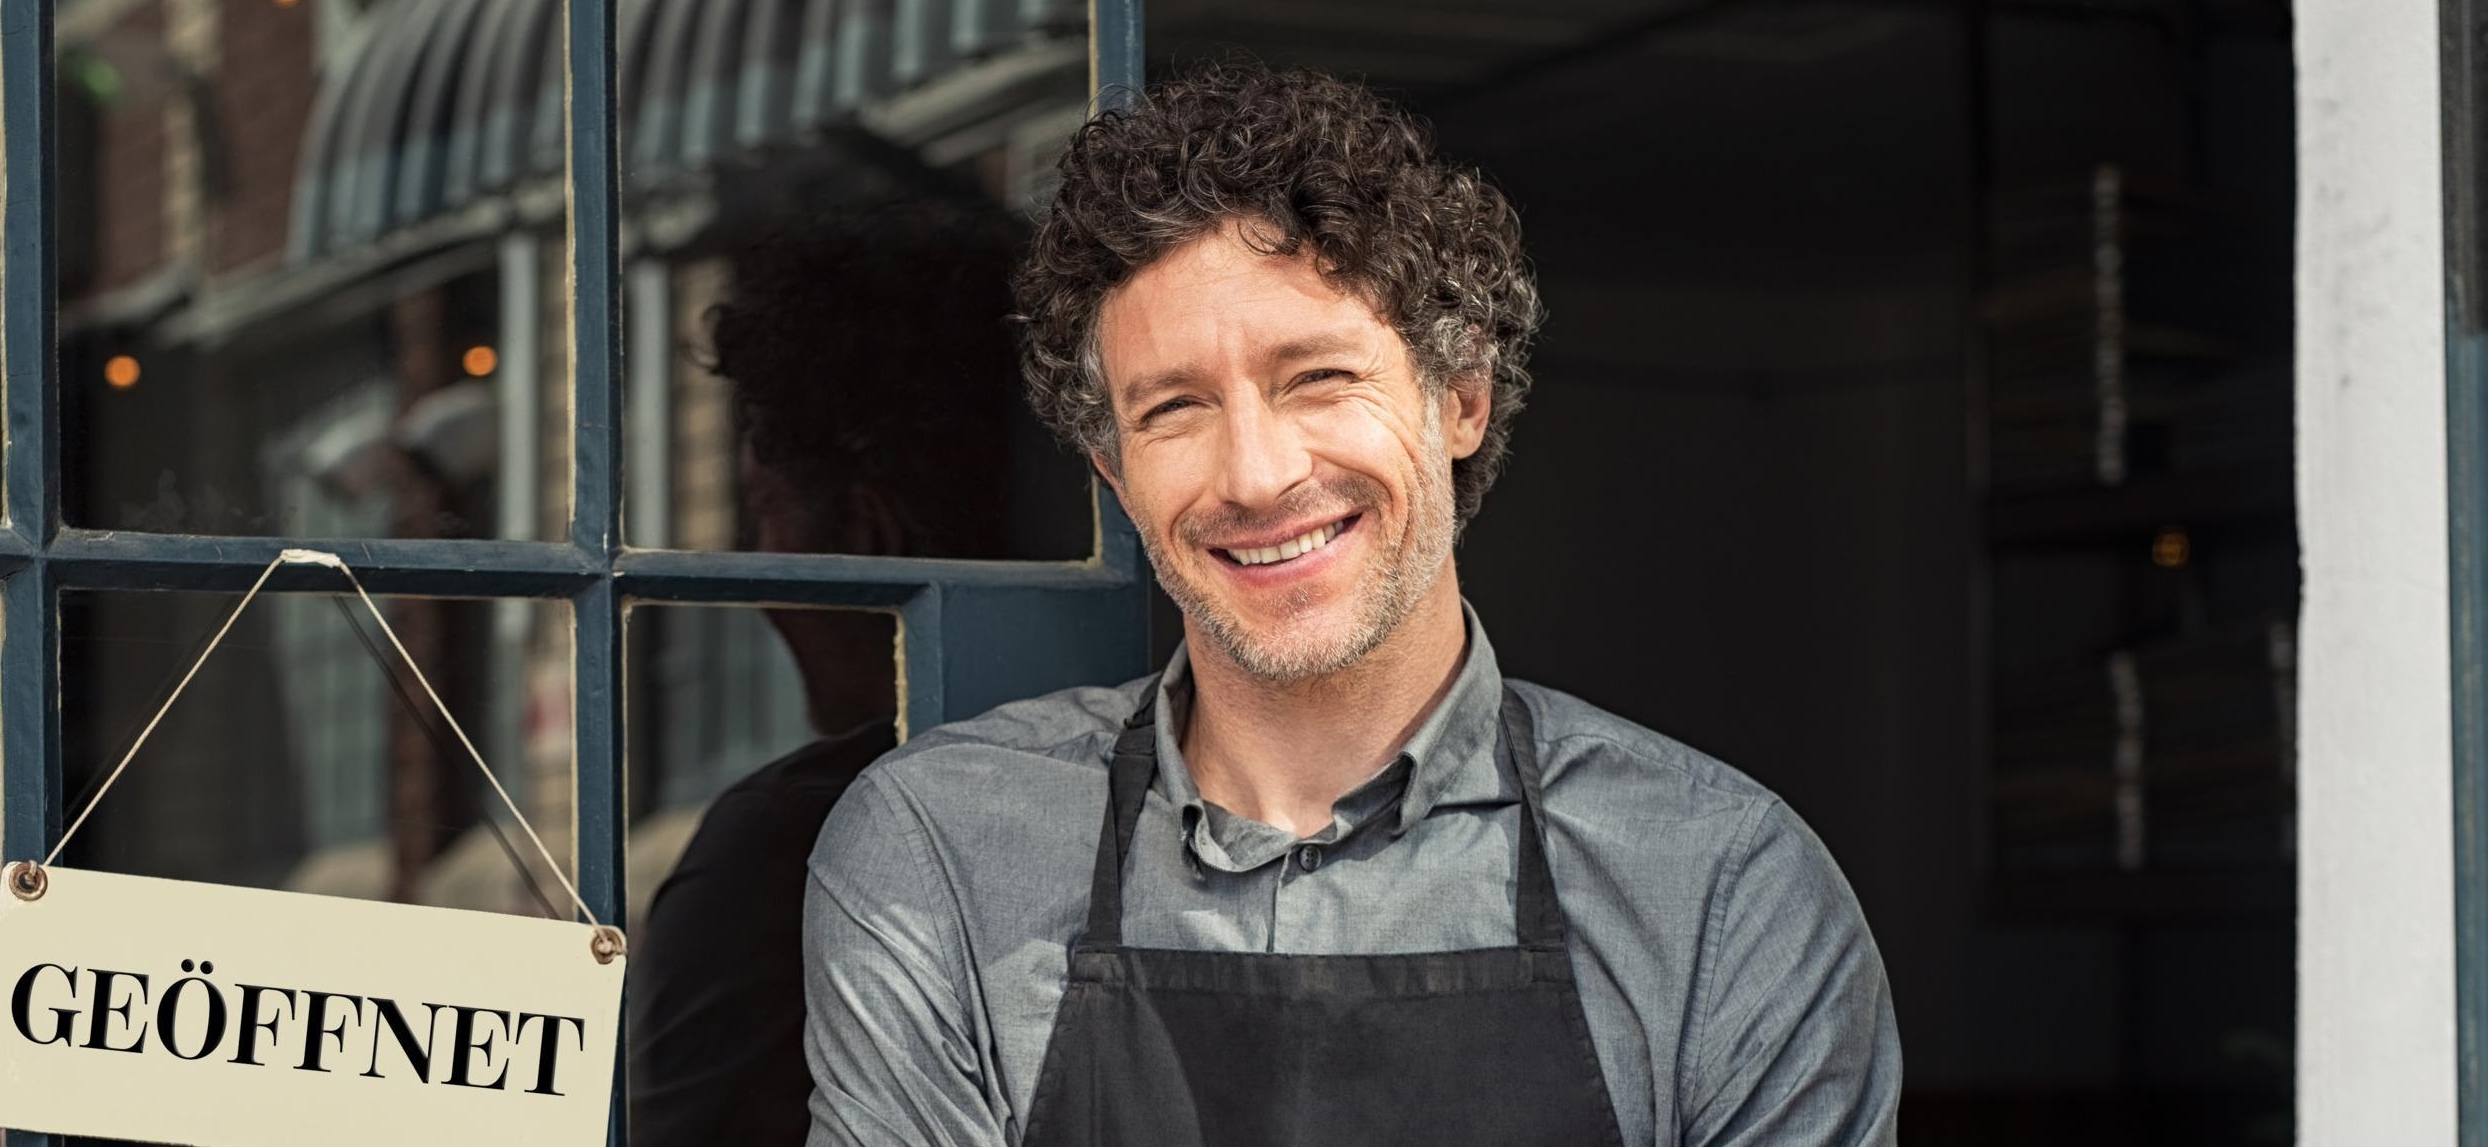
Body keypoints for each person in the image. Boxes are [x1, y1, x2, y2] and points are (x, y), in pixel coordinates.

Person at [800, 64, 1902, 1147]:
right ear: (1110, 470)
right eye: (1175, 406)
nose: (1254, 475)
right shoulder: (940, 857)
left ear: (1459, 394)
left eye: (1317, 379)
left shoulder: (1717, 886)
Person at [627, 188, 1037, 1147]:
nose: (756, 582)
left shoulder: (788, 851)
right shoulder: (1206, 785)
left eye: (763, 520)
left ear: (862, 535)